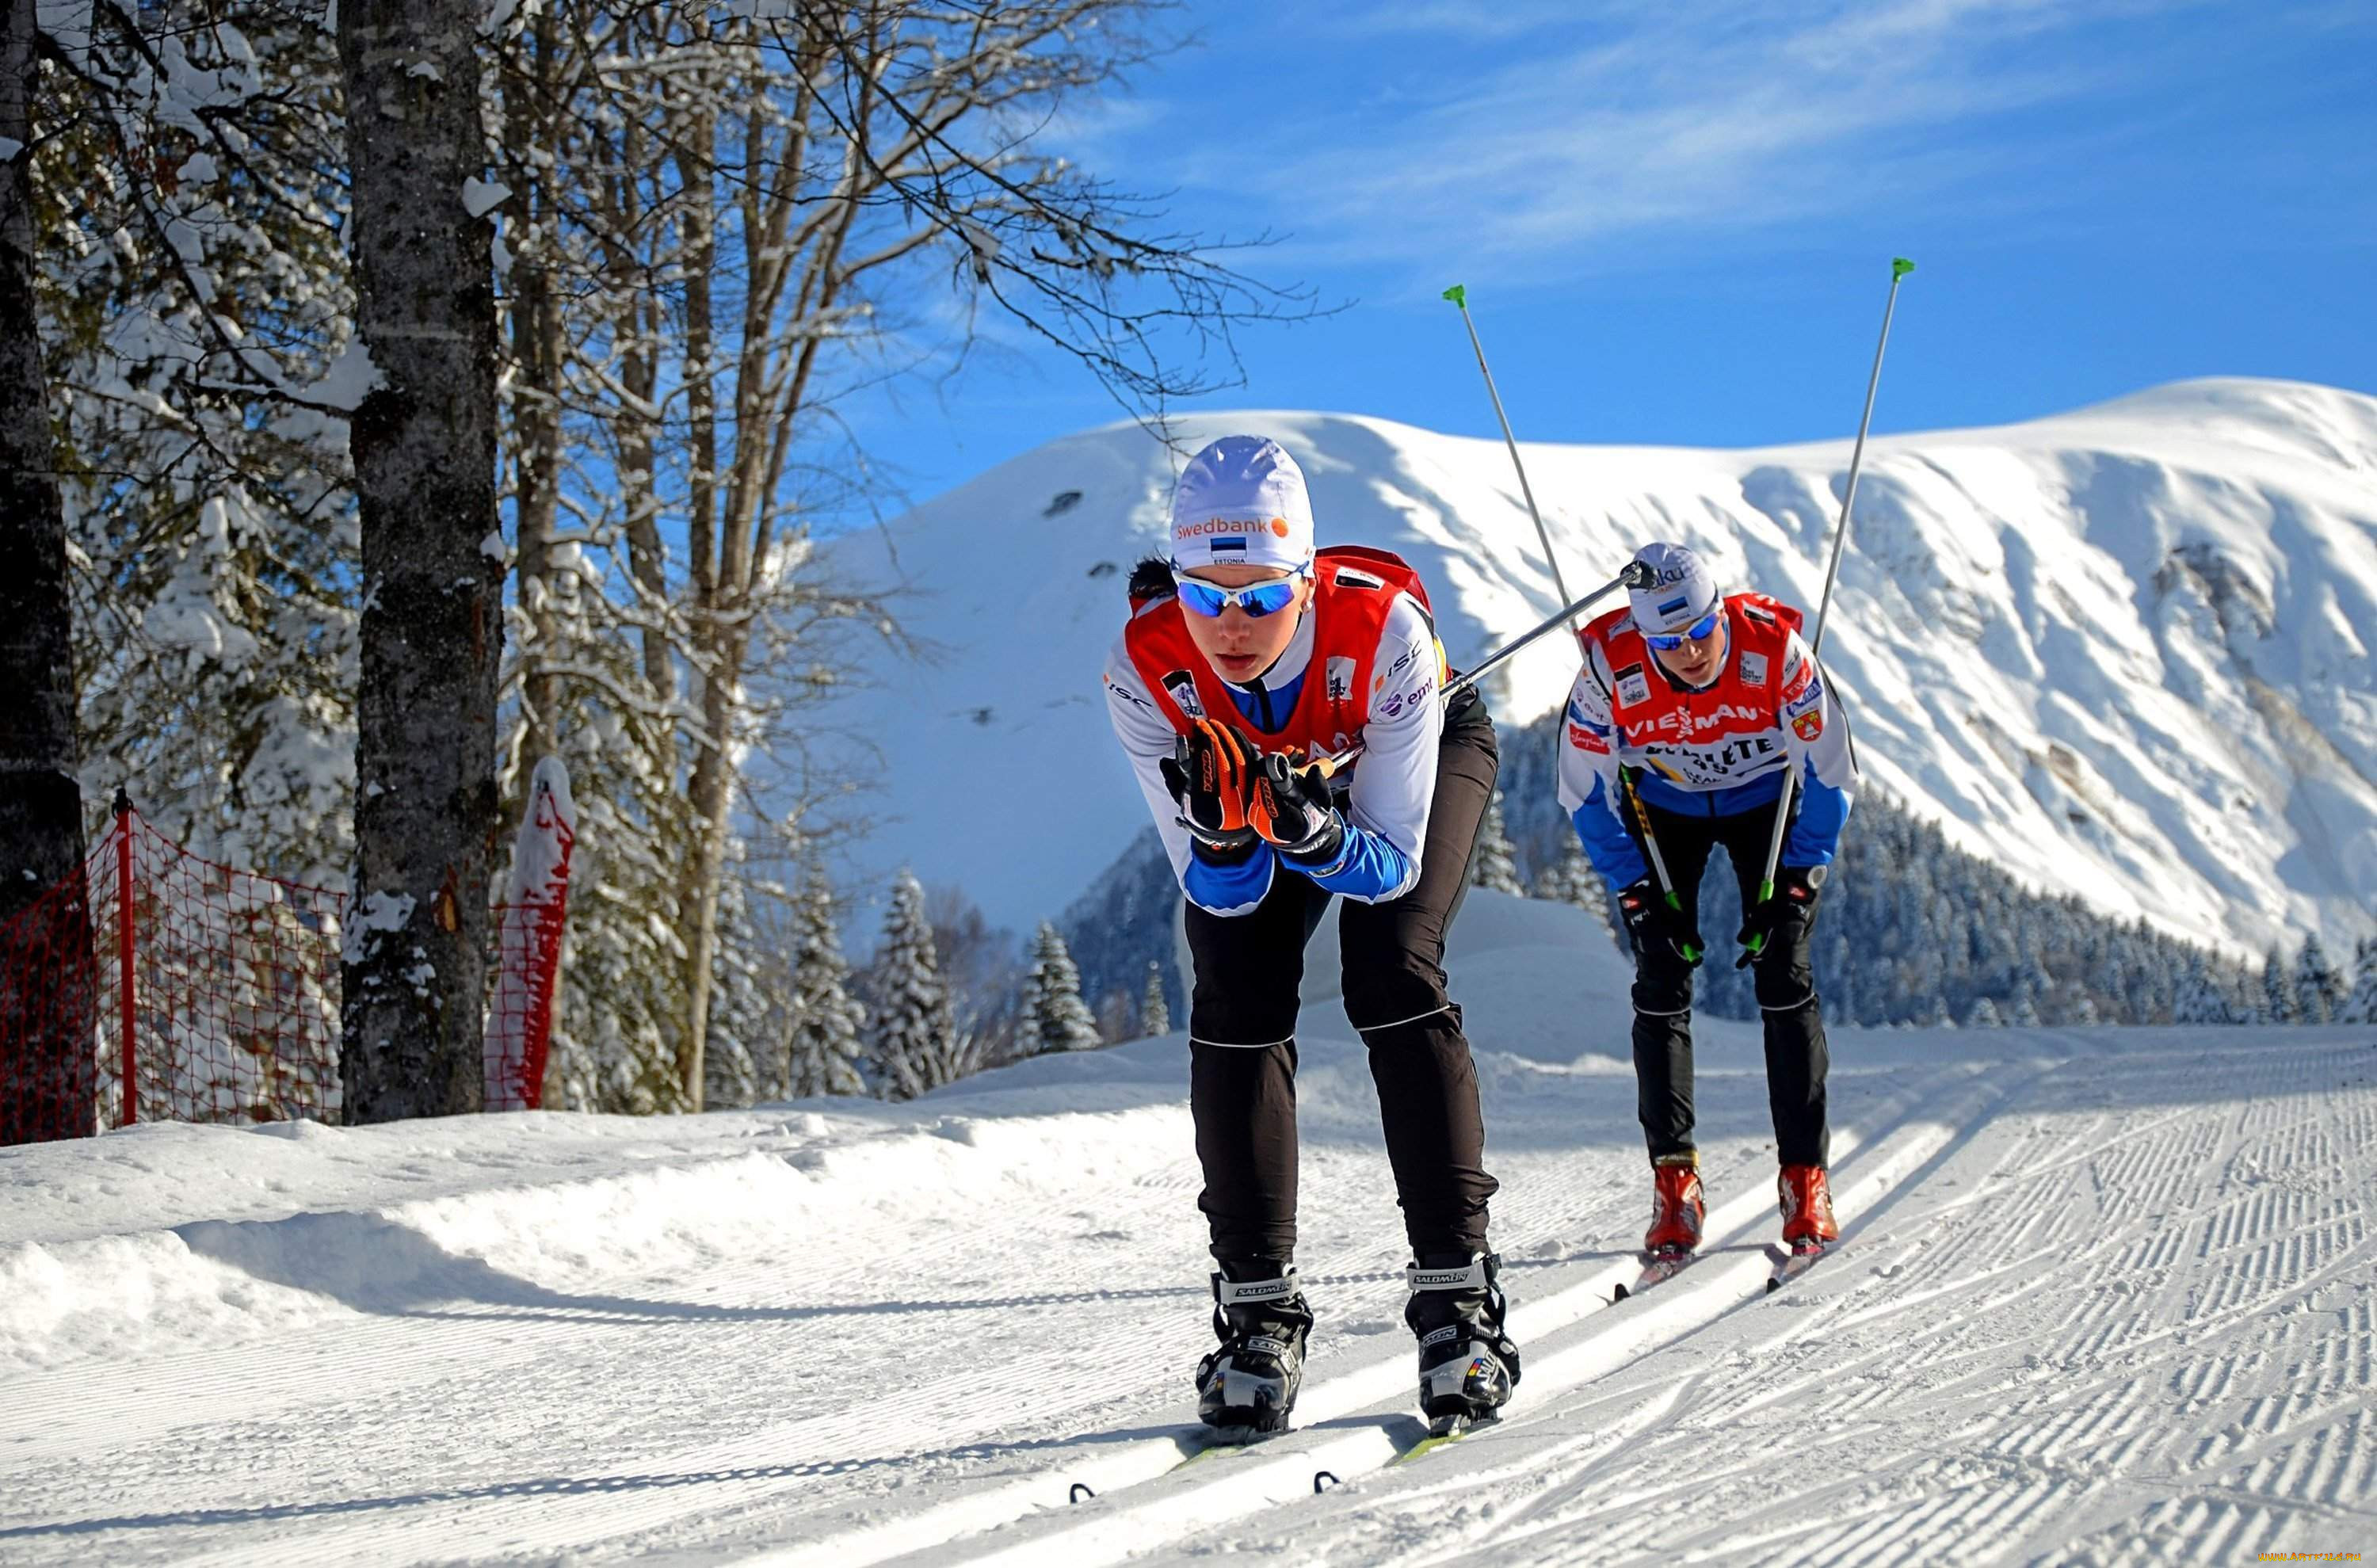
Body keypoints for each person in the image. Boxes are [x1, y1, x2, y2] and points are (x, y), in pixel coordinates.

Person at [1102, 433, 1520, 1433]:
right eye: (1206, 594)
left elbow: (1392, 864)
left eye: (1260, 595)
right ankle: (1257, 1311)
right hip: (1280, 794)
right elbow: (1228, 900)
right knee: (1234, 994)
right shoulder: (1146, 666)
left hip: (1398, 765)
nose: (1231, 623)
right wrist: (1223, 825)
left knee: (1392, 971)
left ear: (1306, 575)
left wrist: (1312, 827)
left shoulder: (1386, 634)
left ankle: (1458, 1304)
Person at [1556, 541, 1858, 1261]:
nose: (1688, 651)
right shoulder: (1609, 669)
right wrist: (1633, 893)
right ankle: (1674, 1184)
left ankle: (1805, 1176)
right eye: (1668, 641)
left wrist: (1798, 882)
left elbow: (1831, 772)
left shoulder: (1778, 654)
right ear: (1643, 636)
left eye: (1700, 630)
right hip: (1666, 806)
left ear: (1721, 609)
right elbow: (1584, 794)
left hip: (1767, 797)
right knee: (1660, 976)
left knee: (1784, 968)